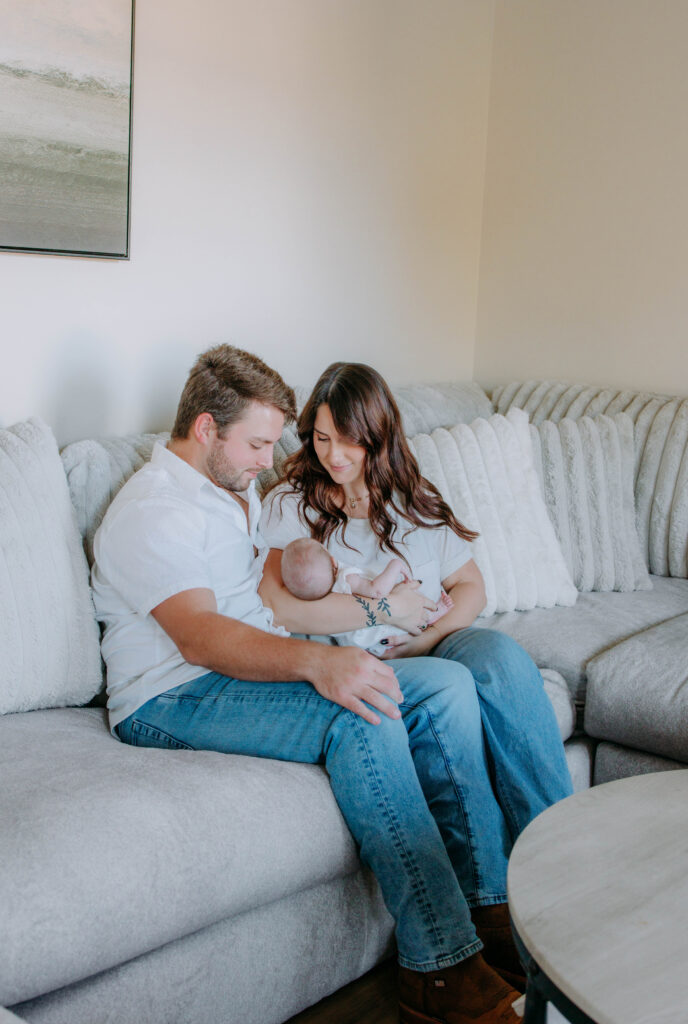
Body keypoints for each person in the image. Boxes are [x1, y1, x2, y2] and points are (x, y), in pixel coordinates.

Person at [89, 344, 561, 1024]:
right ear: (204, 431)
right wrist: (317, 661)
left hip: (230, 669)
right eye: (257, 444)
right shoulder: (155, 510)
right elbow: (199, 636)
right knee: (357, 709)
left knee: (445, 687)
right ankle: (441, 966)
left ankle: (490, 911)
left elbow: (278, 586)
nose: (268, 460)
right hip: (173, 693)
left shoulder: (230, 487)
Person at [259, 361, 574, 1023]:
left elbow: (471, 590)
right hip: (363, 658)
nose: (335, 455)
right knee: (454, 685)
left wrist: (429, 637)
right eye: (320, 437)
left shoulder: (414, 497)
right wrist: (383, 618)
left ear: (380, 435)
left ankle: (567, 865)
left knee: (502, 658)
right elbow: (285, 611)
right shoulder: (292, 504)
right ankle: (491, 909)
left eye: (349, 440)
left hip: (428, 641)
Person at [280, 537, 454, 655]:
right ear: (333, 560)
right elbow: (377, 591)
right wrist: (395, 566)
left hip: (360, 645)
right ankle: (433, 615)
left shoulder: (322, 602)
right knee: (407, 608)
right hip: (383, 630)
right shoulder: (347, 579)